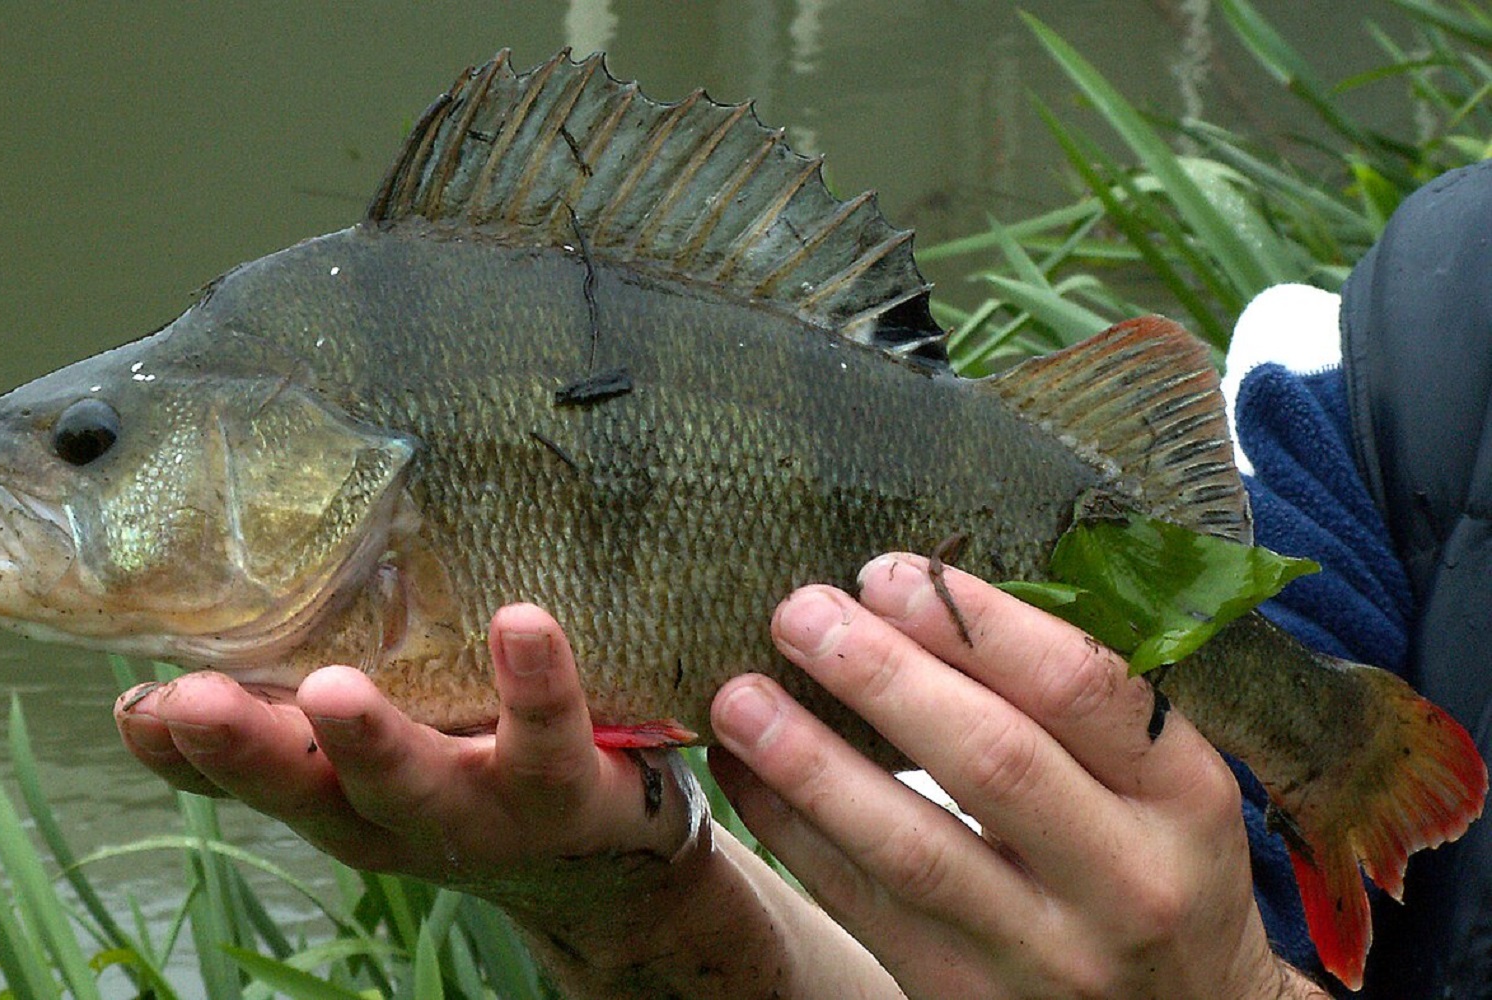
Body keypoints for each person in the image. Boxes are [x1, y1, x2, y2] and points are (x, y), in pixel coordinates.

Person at [115, 160, 1492, 998]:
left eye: (90, 450)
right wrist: (631, 903)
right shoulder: (1387, 382)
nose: (78, 477)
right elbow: (1003, 960)